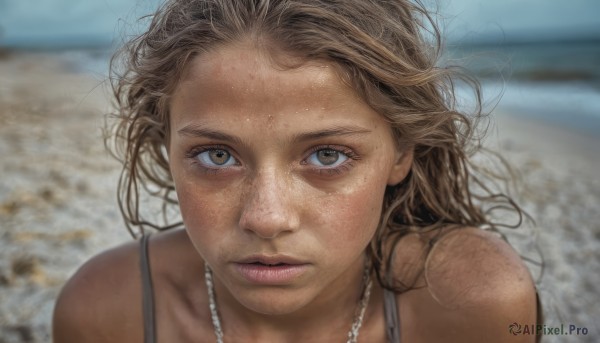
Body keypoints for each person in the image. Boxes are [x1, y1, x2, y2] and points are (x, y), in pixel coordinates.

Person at [53, 0, 540, 342]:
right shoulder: (108, 313)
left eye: (327, 155)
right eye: (217, 156)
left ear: (400, 152)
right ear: (166, 147)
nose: (267, 218)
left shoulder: (471, 305)